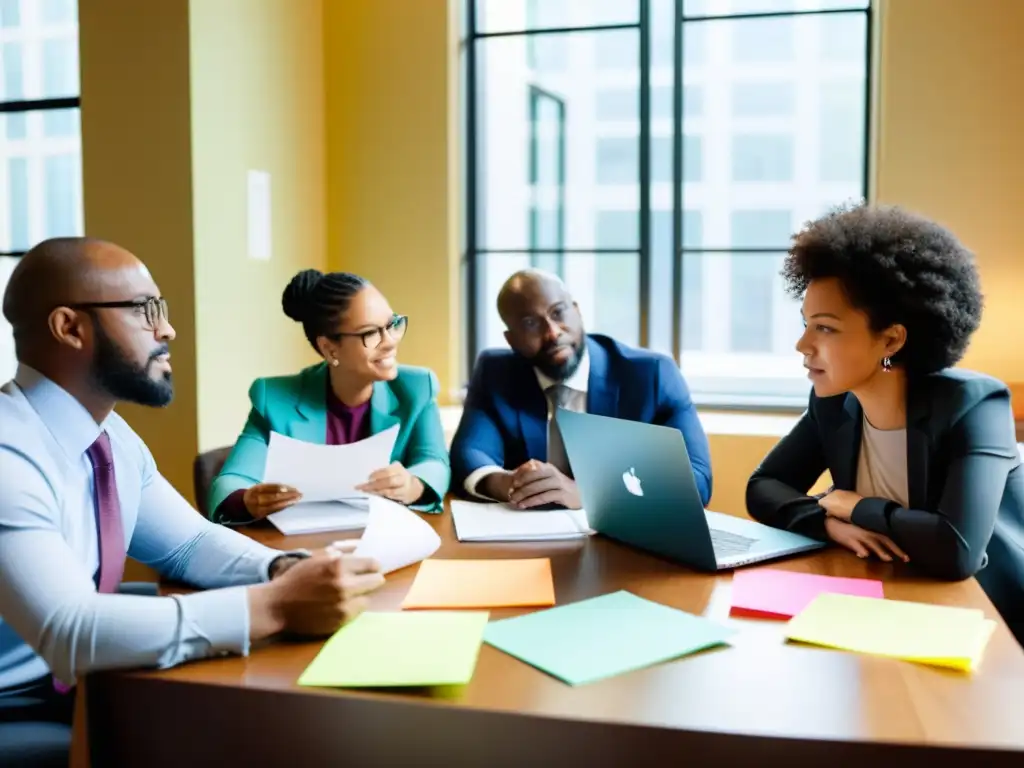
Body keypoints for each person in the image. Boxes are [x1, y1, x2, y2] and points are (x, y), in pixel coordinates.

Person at [0, 239, 384, 764]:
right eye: (145, 310)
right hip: (16, 704)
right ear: (70, 328)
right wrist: (276, 605)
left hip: (78, 681)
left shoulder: (109, 437)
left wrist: (286, 568)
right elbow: (71, 632)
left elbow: (189, 544)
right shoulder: (7, 454)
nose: (167, 330)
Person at [745, 204, 1024, 645]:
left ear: (891, 339)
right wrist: (828, 522)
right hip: (894, 604)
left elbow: (958, 550)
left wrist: (852, 504)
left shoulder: (976, 405)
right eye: (806, 325)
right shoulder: (833, 404)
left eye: (825, 328)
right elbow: (763, 486)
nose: (802, 345)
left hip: (990, 619)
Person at [450, 268, 712, 510]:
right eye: (530, 323)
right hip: (529, 543)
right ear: (511, 339)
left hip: (625, 545)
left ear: (577, 310)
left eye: (558, 312)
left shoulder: (651, 374)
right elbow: (469, 454)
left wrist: (589, 494)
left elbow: (696, 481)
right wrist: (509, 483)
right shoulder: (496, 373)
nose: (552, 333)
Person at [208, 269, 450, 523]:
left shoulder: (417, 387)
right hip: (302, 547)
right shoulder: (276, 399)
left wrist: (413, 485)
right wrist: (249, 500)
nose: (389, 341)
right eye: (370, 333)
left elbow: (434, 463)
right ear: (329, 347)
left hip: (383, 541)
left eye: (392, 324)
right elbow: (230, 482)